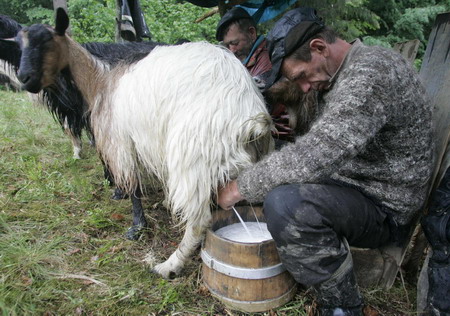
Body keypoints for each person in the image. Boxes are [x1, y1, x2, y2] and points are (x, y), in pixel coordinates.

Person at [217, 7, 434, 316]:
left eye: (302, 76)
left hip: (384, 205)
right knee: (281, 179)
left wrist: (240, 187)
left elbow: (319, 152)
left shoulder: (372, 72)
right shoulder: (339, 75)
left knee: (285, 204)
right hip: (354, 185)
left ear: (319, 48)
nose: (304, 86)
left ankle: (343, 304)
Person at [216, 6, 294, 144]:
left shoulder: (269, 58)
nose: (231, 50)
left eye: (234, 43)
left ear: (252, 33)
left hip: (279, 137)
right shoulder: (247, 61)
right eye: (227, 46)